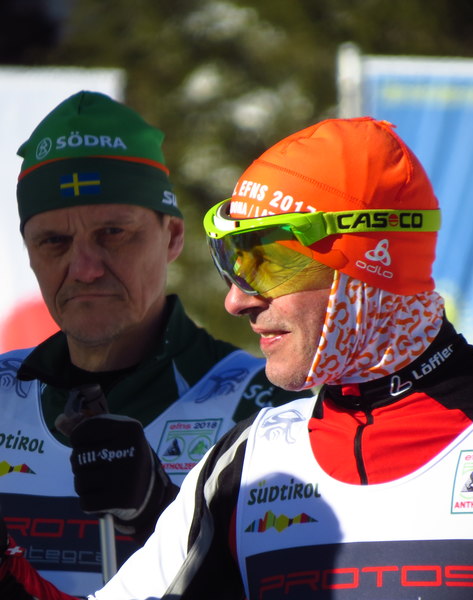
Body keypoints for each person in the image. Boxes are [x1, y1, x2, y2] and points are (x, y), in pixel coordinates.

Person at [88, 117, 473, 600]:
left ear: (371, 263)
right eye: (233, 261)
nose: (237, 300)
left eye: (268, 263)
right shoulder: (247, 462)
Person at [0, 91, 306, 600]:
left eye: (113, 233)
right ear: (29, 251)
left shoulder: (268, 407)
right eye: (54, 242)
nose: (85, 268)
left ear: (173, 237)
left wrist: (163, 512)